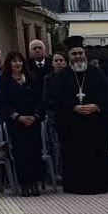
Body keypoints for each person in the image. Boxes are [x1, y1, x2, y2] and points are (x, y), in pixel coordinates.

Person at [47, 36, 108, 194]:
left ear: (85, 54)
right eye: (74, 54)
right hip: (73, 124)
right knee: (75, 154)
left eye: (80, 53)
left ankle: (100, 183)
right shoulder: (62, 76)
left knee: (96, 153)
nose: (77, 56)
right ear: (69, 56)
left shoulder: (96, 73)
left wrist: (96, 106)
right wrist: (73, 107)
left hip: (95, 123)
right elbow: (56, 100)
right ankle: (75, 185)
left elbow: (106, 95)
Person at [0, 51, 43, 196]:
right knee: (21, 154)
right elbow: (4, 103)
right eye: (14, 61)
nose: (17, 63)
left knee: (34, 152)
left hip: (33, 122)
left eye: (19, 61)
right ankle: (24, 183)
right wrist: (17, 116)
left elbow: (39, 100)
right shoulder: (5, 80)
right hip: (16, 124)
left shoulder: (31, 78)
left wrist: (35, 116)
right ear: (9, 64)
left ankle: (35, 183)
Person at [43, 51, 67, 180]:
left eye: (61, 60)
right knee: (56, 145)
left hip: (70, 115)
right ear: (52, 64)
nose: (59, 63)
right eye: (56, 61)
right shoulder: (48, 79)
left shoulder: (71, 77)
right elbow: (46, 99)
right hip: (55, 116)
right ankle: (57, 172)